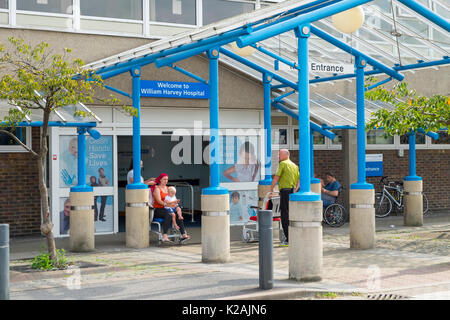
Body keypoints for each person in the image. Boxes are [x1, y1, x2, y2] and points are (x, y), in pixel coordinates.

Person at [270, 149, 299, 246]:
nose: (278, 156)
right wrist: (295, 189)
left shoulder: (282, 164)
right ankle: (292, 237)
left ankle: (288, 239)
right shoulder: (294, 166)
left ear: (286, 155)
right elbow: (299, 180)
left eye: (280, 155)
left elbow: (276, 177)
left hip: (285, 191)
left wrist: (271, 189)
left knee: (284, 215)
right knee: (291, 214)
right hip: (292, 191)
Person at [152, 173, 191, 244]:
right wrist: (168, 204)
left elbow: (173, 198)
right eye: (164, 179)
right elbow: (159, 201)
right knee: (169, 214)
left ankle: (183, 234)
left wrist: (175, 205)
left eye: (167, 179)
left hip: (168, 208)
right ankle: (165, 235)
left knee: (178, 213)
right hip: (159, 209)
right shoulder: (157, 189)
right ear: (160, 180)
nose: (166, 181)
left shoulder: (168, 189)